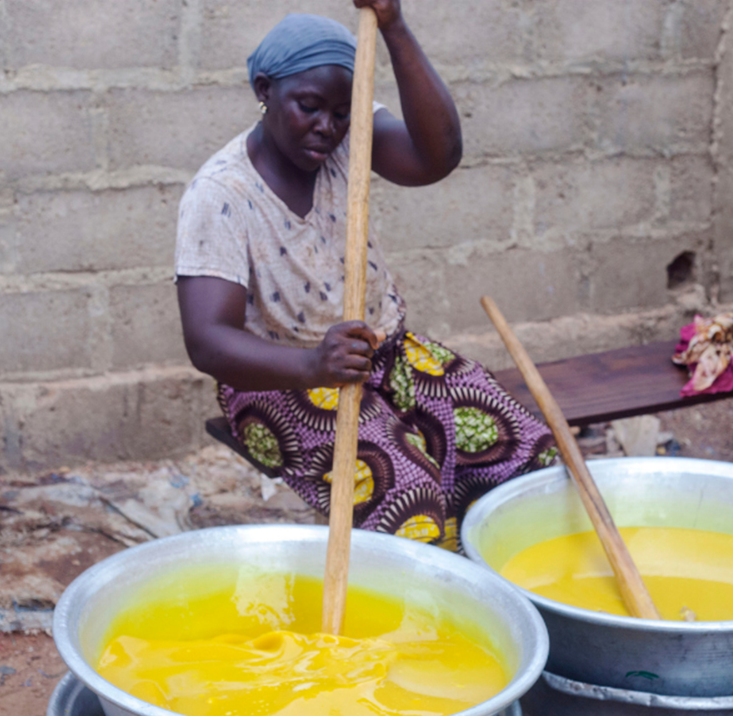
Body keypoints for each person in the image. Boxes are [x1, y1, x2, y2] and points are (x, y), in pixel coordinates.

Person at [174, 2, 556, 550]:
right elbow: (208, 341)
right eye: (308, 107)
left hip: (386, 356)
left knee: (523, 453)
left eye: (342, 113)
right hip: (283, 383)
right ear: (264, 89)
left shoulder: (346, 131)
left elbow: (437, 156)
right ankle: (416, 625)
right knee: (409, 503)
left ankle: (515, 609)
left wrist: (395, 28)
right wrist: (311, 364)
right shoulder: (221, 194)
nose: (327, 127)